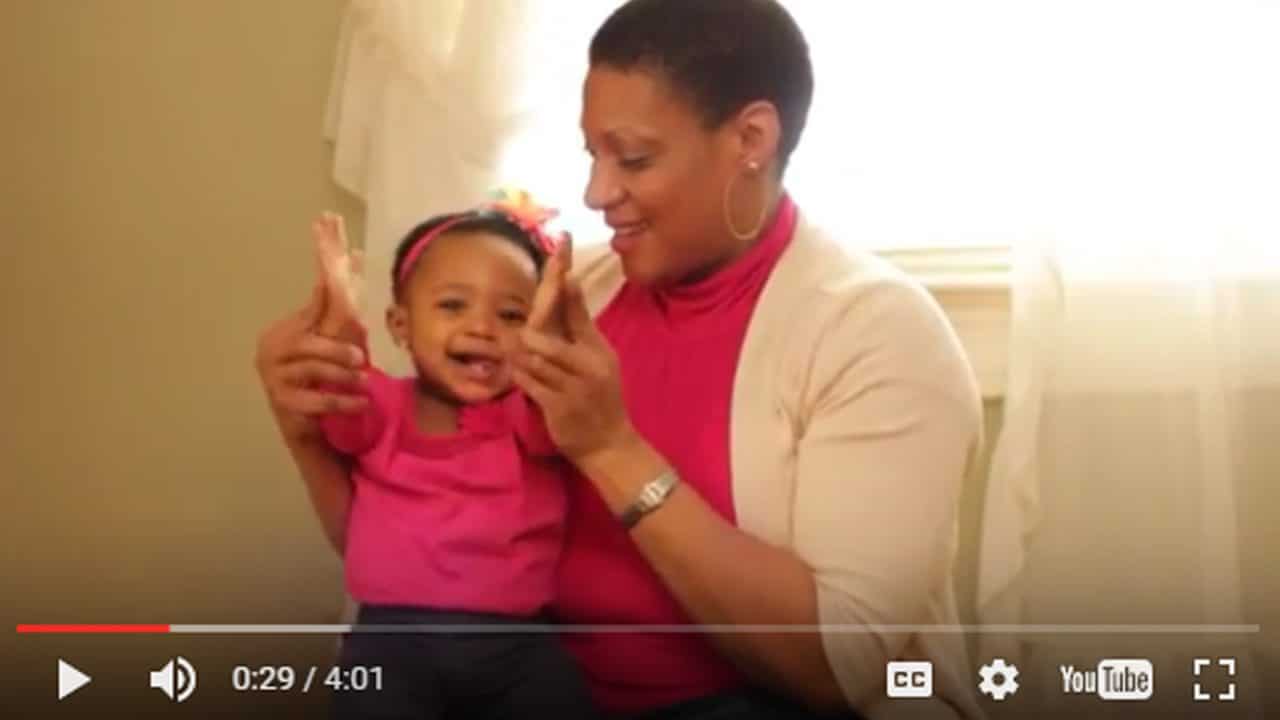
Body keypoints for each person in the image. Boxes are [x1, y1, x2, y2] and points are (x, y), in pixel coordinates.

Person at [255, 1, 984, 718]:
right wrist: (307, 430)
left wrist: (612, 448)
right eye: (592, 154)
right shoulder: (562, 300)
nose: (597, 193)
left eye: (633, 158)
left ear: (752, 138)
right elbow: (414, 541)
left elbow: (832, 666)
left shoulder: (879, 334)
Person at [305, 194, 596, 720]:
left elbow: (560, 417)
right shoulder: (382, 407)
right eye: (453, 305)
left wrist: (551, 323)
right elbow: (338, 403)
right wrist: (339, 316)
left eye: (511, 315)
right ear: (400, 325)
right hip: (393, 642)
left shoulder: (525, 417)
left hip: (518, 644)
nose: (483, 328)